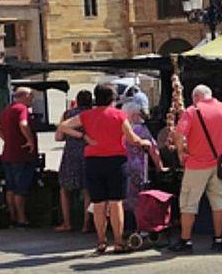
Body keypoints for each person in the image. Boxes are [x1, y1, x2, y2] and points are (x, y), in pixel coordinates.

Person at [59, 83, 152, 254]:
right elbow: (132, 139)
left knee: (99, 203)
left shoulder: (86, 115)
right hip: (116, 162)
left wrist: (83, 136)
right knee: (116, 203)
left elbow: (64, 126)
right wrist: (144, 142)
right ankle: (118, 241)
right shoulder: (119, 115)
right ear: (113, 98)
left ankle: (101, 241)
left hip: (93, 162)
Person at [169, 84, 222, 253]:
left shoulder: (192, 111)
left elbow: (178, 134)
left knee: (188, 204)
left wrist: (181, 153)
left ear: (196, 97)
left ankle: (186, 241)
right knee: (219, 202)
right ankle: (218, 240)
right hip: (219, 165)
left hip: (196, 165)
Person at [0, 87, 37, 227]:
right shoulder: (21, 109)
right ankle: (21, 218)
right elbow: (23, 124)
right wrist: (30, 140)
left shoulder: (8, 109)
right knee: (21, 188)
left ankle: (12, 216)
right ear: (24, 96)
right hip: (21, 155)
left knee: (11, 188)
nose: (32, 99)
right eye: (31, 96)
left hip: (8, 154)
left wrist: (6, 138)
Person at [54, 90, 92, 233]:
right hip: (88, 153)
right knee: (87, 190)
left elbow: (58, 137)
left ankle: (67, 222)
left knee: (64, 188)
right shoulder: (92, 114)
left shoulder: (68, 114)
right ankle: (86, 224)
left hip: (70, 153)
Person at [122, 92, 166, 213]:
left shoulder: (124, 128)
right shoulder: (142, 130)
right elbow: (153, 149)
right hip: (139, 167)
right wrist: (159, 167)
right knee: (139, 198)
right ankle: (139, 226)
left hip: (124, 166)